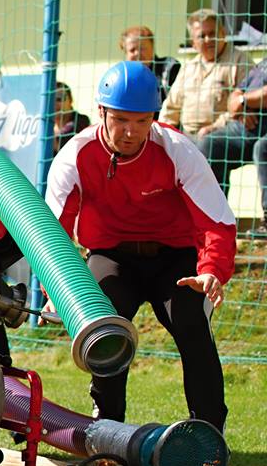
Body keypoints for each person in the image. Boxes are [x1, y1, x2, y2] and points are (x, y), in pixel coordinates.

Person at [43, 61, 236, 441]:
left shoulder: (178, 150)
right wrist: (56, 288)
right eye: (120, 120)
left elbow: (217, 221)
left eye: (142, 121)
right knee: (105, 323)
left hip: (176, 257)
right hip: (111, 256)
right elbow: (51, 233)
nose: (130, 132)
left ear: (154, 118)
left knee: (192, 322)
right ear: (101, 112)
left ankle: (209, 434)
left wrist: (212, 269)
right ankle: (107, 428)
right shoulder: (75, 155)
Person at [159, 9, 251, 141]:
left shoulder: (240, 62)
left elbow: (244, 107)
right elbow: (171, 107)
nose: (208, 40)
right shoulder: (188, 68)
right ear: (193, 43)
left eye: (212, 34)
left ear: (223, 33)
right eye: (202, 36)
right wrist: (162, 135)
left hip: (221, 136)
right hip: (186, 137)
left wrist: (215, 127)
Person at [199, 58, 267, 234]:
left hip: (263, 134)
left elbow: (249, 97)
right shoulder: (262, 64)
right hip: (243, 129)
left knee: (262, 148)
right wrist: (242, 106)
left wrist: (243, 101)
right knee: (211, 143)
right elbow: (233, 99)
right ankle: (215, 219)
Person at [119, 26, 181, 105]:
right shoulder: (122, 77)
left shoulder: (170, 67)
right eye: (132, 50)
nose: (137, 53)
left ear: (152, 48)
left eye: (142, 48)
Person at [52, 82, 91, 154]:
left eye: (59, 98)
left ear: (70, 100)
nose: (55, 103)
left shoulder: (81, 122)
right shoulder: (45, 125)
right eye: (51, 99)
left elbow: (72, 153)